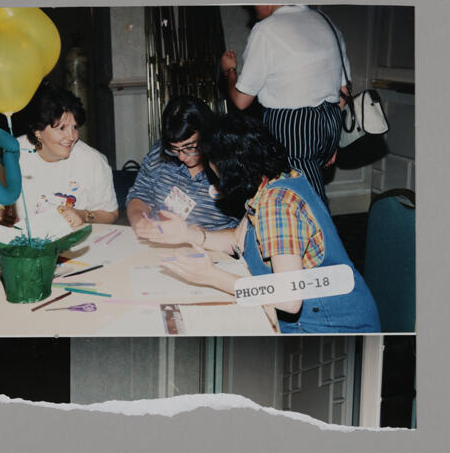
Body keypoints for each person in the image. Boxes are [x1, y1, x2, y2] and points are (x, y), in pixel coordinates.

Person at [137, 113, 380, 334]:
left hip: (331, 327)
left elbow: (289, 299)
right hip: (319, 318)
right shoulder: (273, 179)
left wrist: (211, 276)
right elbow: (236, 239)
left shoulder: (277, 206)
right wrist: (188, 233)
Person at [221, 5, 351, 206]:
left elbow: (241, 100)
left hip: (295, 127)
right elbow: (344, 90)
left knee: (308, 205)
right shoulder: (325, 20)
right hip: (330, 122)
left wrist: (229, 71)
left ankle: (322, 237)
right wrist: (333, 141)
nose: (252, 9)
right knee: (297, 199)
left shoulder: (266, 29)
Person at [0, 85, 118, 229]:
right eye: (62, 128)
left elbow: (110, 214)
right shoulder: (8, 154)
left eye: (75, 127)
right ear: (37, 130)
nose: (71, 137)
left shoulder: (92, 161)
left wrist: (82, 215)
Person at [126, 95, 239, 236]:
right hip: (160, 244)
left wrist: (196, 235)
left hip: (212, 250)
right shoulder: (159, 153)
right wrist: (139, 221)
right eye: (174, 149)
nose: (181, 156)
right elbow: (139, 194)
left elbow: (246, 229)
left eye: (190, 147)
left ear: (207, 135)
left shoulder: (227, 163)